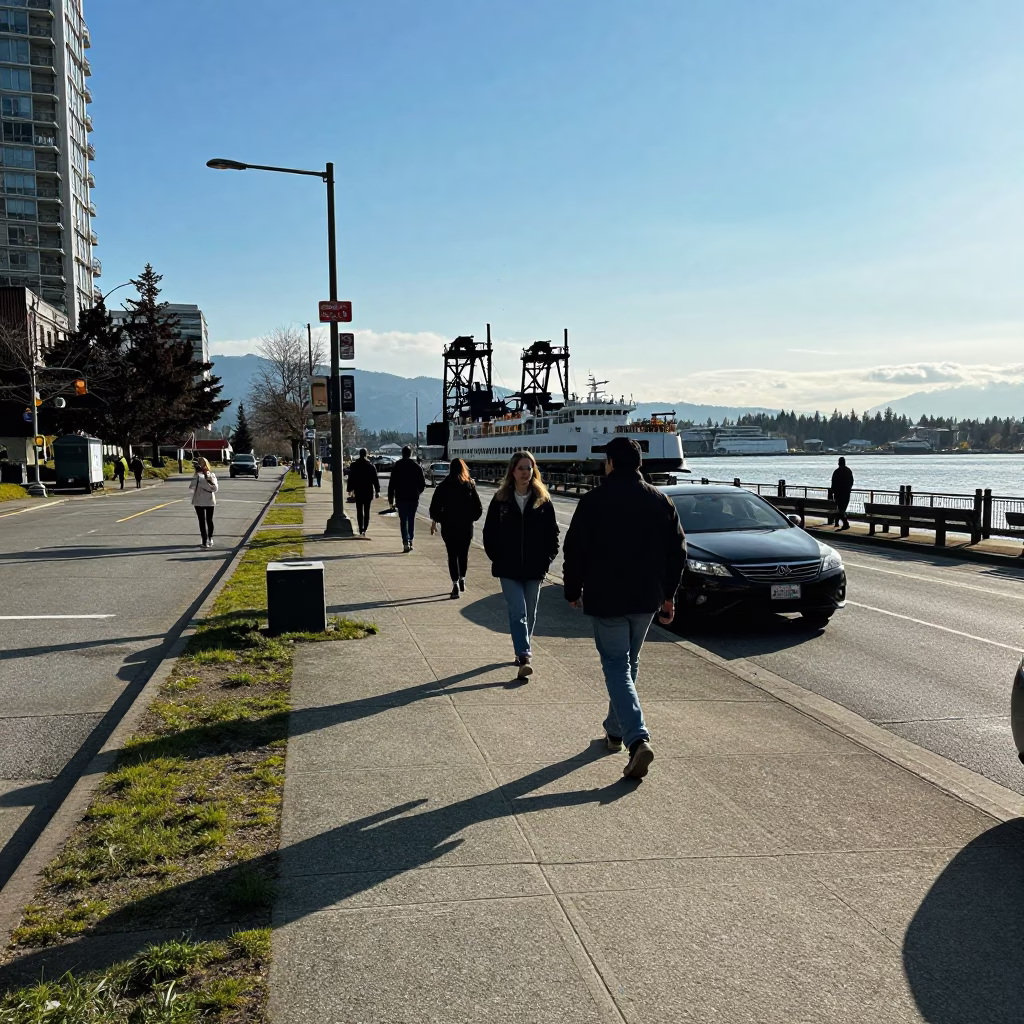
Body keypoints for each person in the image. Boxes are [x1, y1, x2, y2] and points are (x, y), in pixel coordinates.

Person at [563, 436, 685, 779]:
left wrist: (572, 589)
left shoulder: (593, 501)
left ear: (611, 463)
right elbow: (678, 552)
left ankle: (637, 739)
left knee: (617, 666)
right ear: (640, 463)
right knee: (629, 663)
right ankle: (615, 732)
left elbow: (576, 550)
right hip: (646, 598)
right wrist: (669, 595)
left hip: (607, 597)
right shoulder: (660, 501)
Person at [482, 451, 560, 680]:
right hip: (508, 568)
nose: (525, 472)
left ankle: (521, 648)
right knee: (518, 611)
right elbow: (489, 532)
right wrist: (497, 557)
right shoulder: (501, 500)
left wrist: (547, 559)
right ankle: (525, 654)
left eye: (529, 468)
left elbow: (553, 535)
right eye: (521, 468)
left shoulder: (543, 500)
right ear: (512, 472)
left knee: (530, 612)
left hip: (535, 568)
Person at [429, 457, 483, 598]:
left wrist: (440, 519)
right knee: (463, 554)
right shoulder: (469, 486)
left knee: (452, 555)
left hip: (449, 527)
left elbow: (434, 508)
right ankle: (462, 578)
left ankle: (454, 584)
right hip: (465, 527)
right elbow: (478, 508)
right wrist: (471, 518)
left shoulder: (443, 487)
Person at [387, 445, 426, 552]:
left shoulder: (397, 466)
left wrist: (391, 500)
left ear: (402, 453)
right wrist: (417, 492)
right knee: (411, 519)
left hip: (401, 497)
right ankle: (410, 539)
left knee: (403, 520)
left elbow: (392, 485)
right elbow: (422, 484)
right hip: (413, 497)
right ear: (411, 454)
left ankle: (405, 541)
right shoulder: (417, 467)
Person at [347, 448, 380, 536]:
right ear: (366, 454)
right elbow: (375, 480)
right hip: (368, 491)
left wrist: (349, 489)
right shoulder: (371, 466)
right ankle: (365, 528)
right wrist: (377, 491)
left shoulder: (354, 465)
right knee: (367, 511)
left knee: (359, 510)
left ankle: (360, 527)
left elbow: (351, 477)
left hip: (358, 490)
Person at [189, 457, 219, 548]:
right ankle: (204, 540)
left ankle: (210, 538)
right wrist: (196, 476)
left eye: (203, 464)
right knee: (201, 521)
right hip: (198, 501)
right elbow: (192, 487)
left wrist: (208, 478)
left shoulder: (211, 475)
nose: (202, 467)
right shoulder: (197, 475)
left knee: (209, 520)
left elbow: (215, 488)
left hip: (209, 500)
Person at [831, 456, 854, 530]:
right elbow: (851, 481)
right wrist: (848, 488)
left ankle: (841, 522)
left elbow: (833, 484)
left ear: (838, 463)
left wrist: (833, 492)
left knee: (840, 509)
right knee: (843, 509)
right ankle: (842, 522)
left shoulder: (836, 472)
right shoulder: (848, 471)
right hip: (846, 493)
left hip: (838, 494)